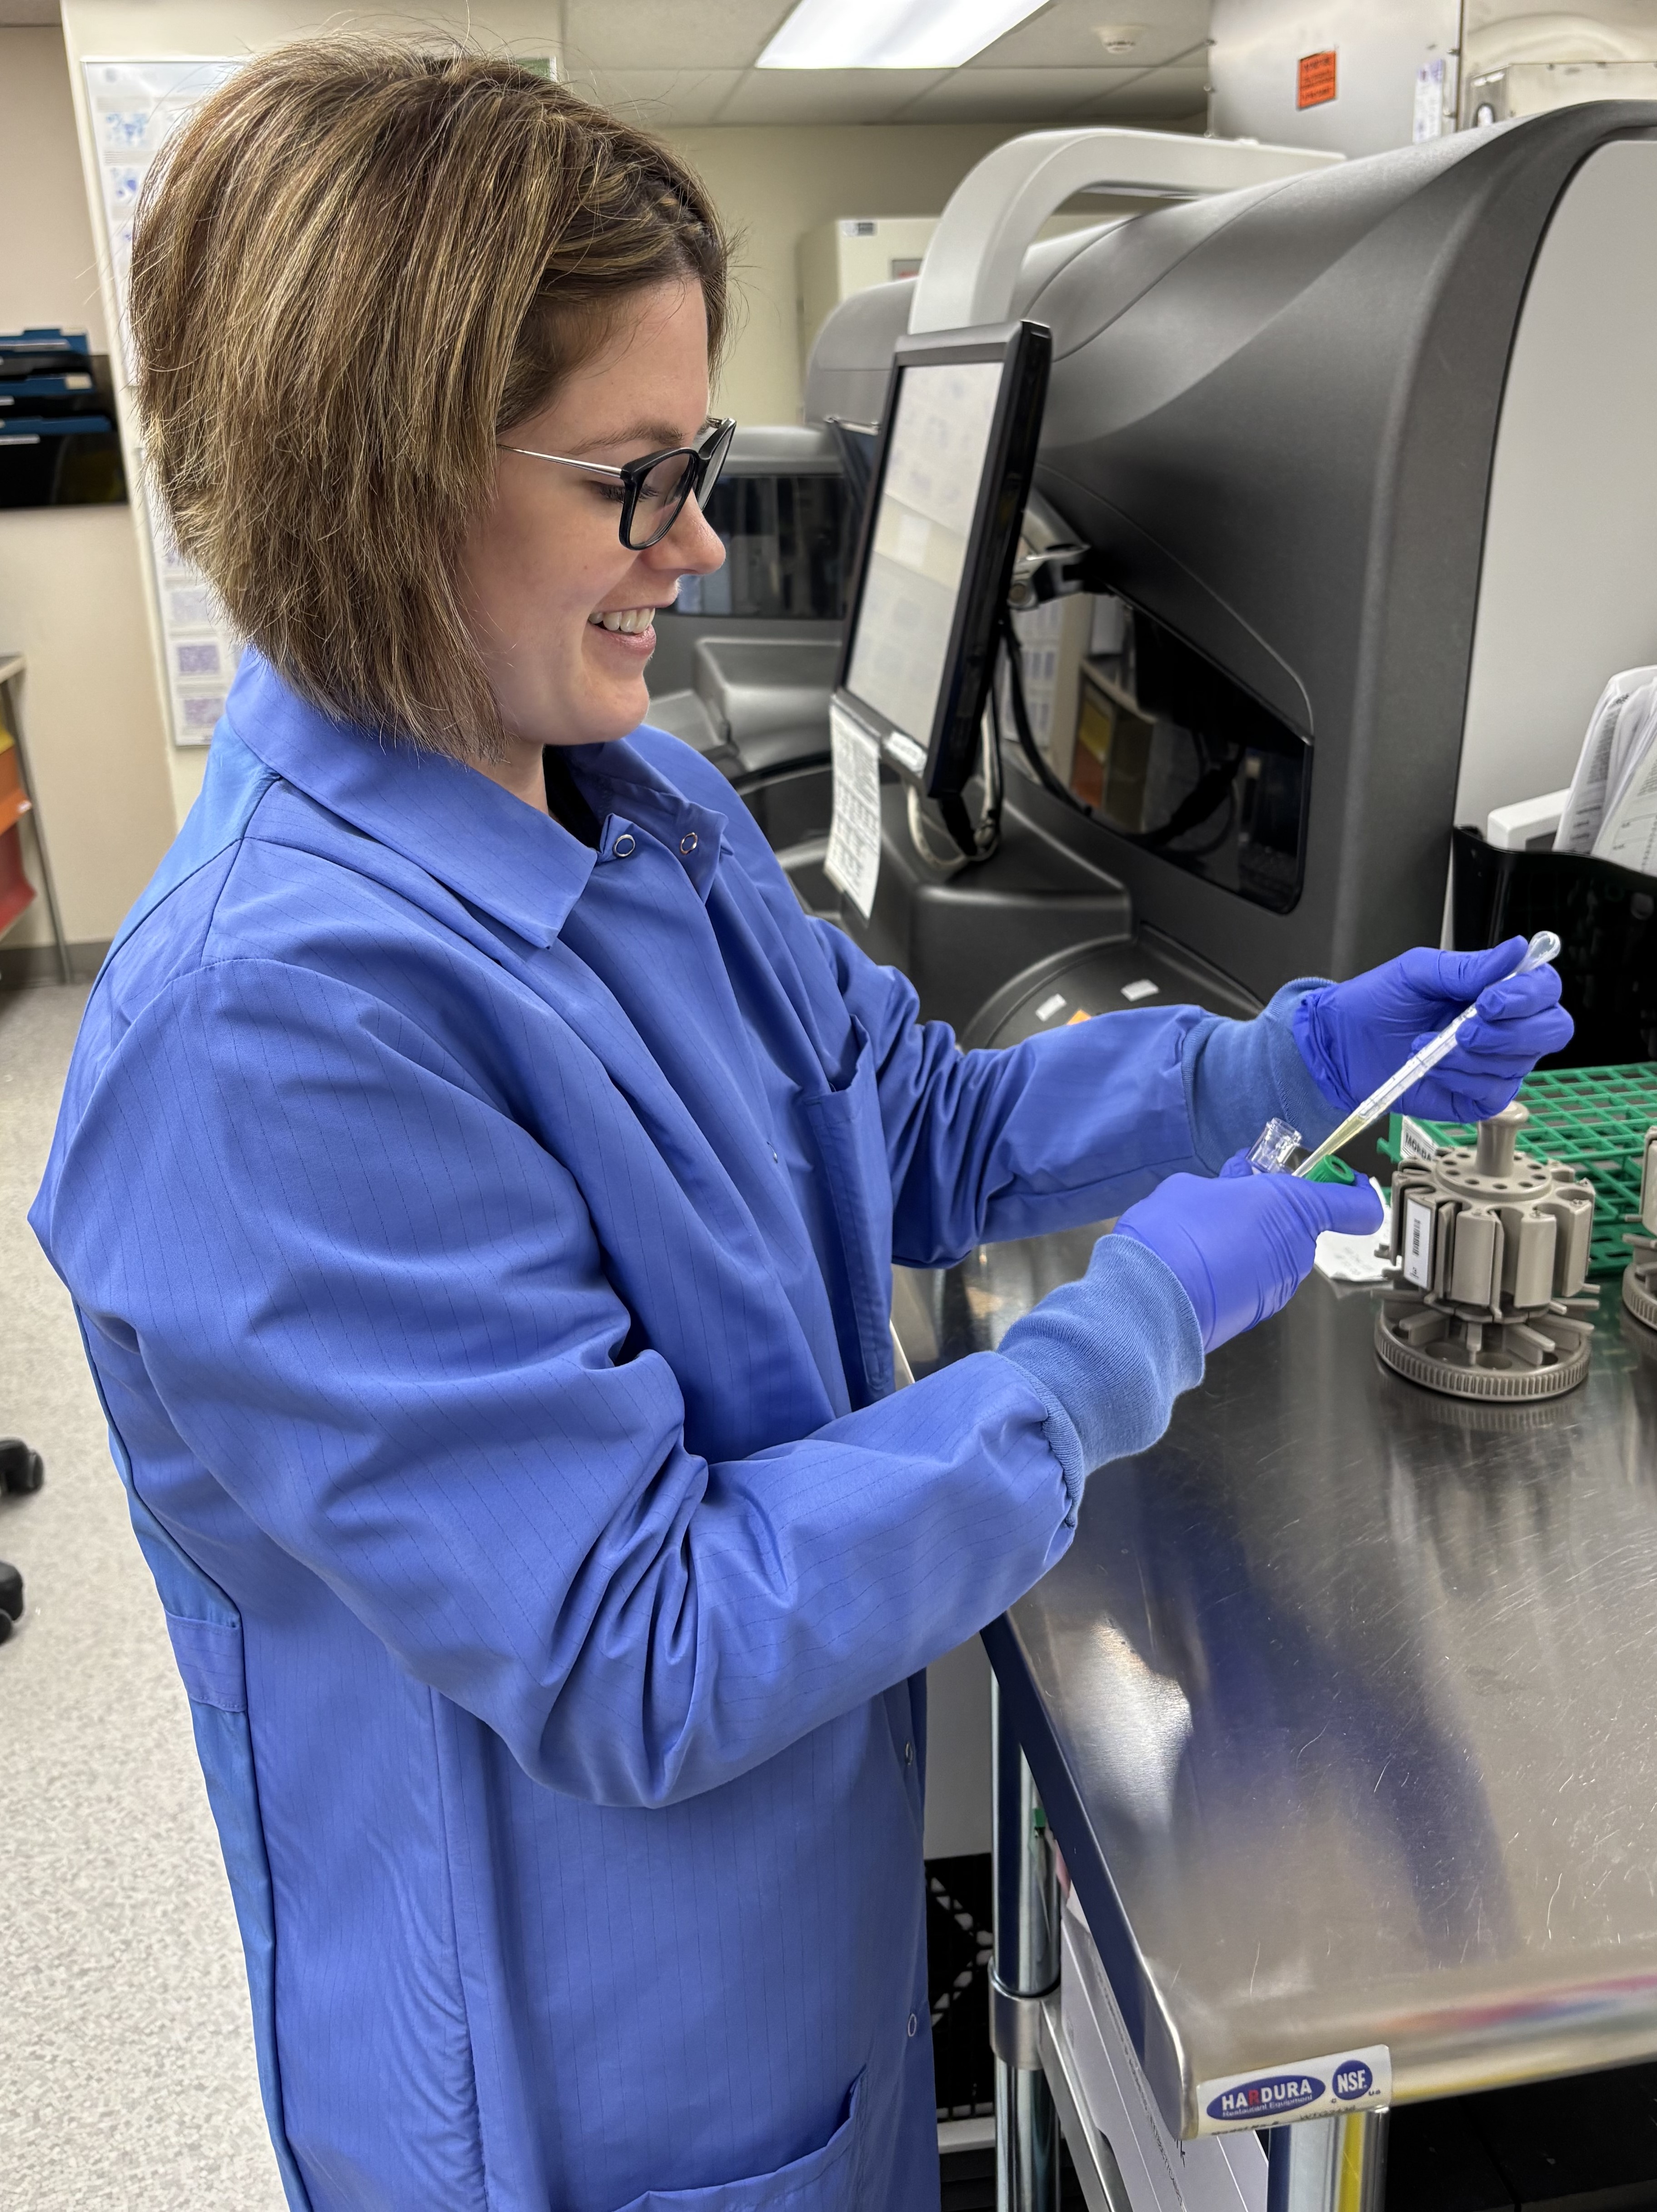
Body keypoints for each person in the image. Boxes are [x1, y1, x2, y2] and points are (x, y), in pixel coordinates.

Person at [30, 44, 1571, 2212]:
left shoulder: (628, 795)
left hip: (782, 1971)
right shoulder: (271, 1031)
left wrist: (1273, 1066)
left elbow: (907, 1122)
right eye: (635, 482)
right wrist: (1122, 1334)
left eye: (698, 466)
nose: (690, 544)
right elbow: (643, 1640)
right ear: (381, 477)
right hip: (585, 2103)